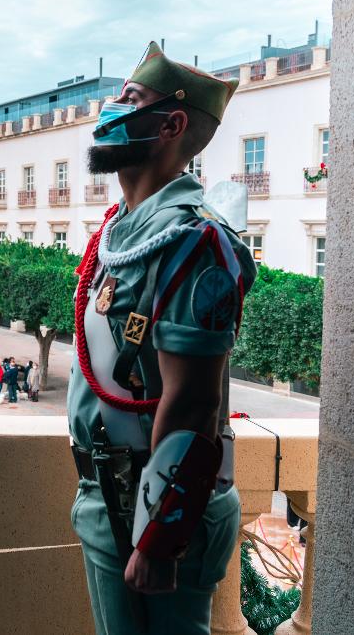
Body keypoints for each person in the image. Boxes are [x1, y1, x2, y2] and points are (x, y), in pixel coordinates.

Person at [68, 42, 257, 634]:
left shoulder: (196, 242)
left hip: (158, 504)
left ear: (172, 125)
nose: (110, 110)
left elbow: (194, 399)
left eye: (130, 99)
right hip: (111, 495)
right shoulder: (123, 230)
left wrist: (160, 537)